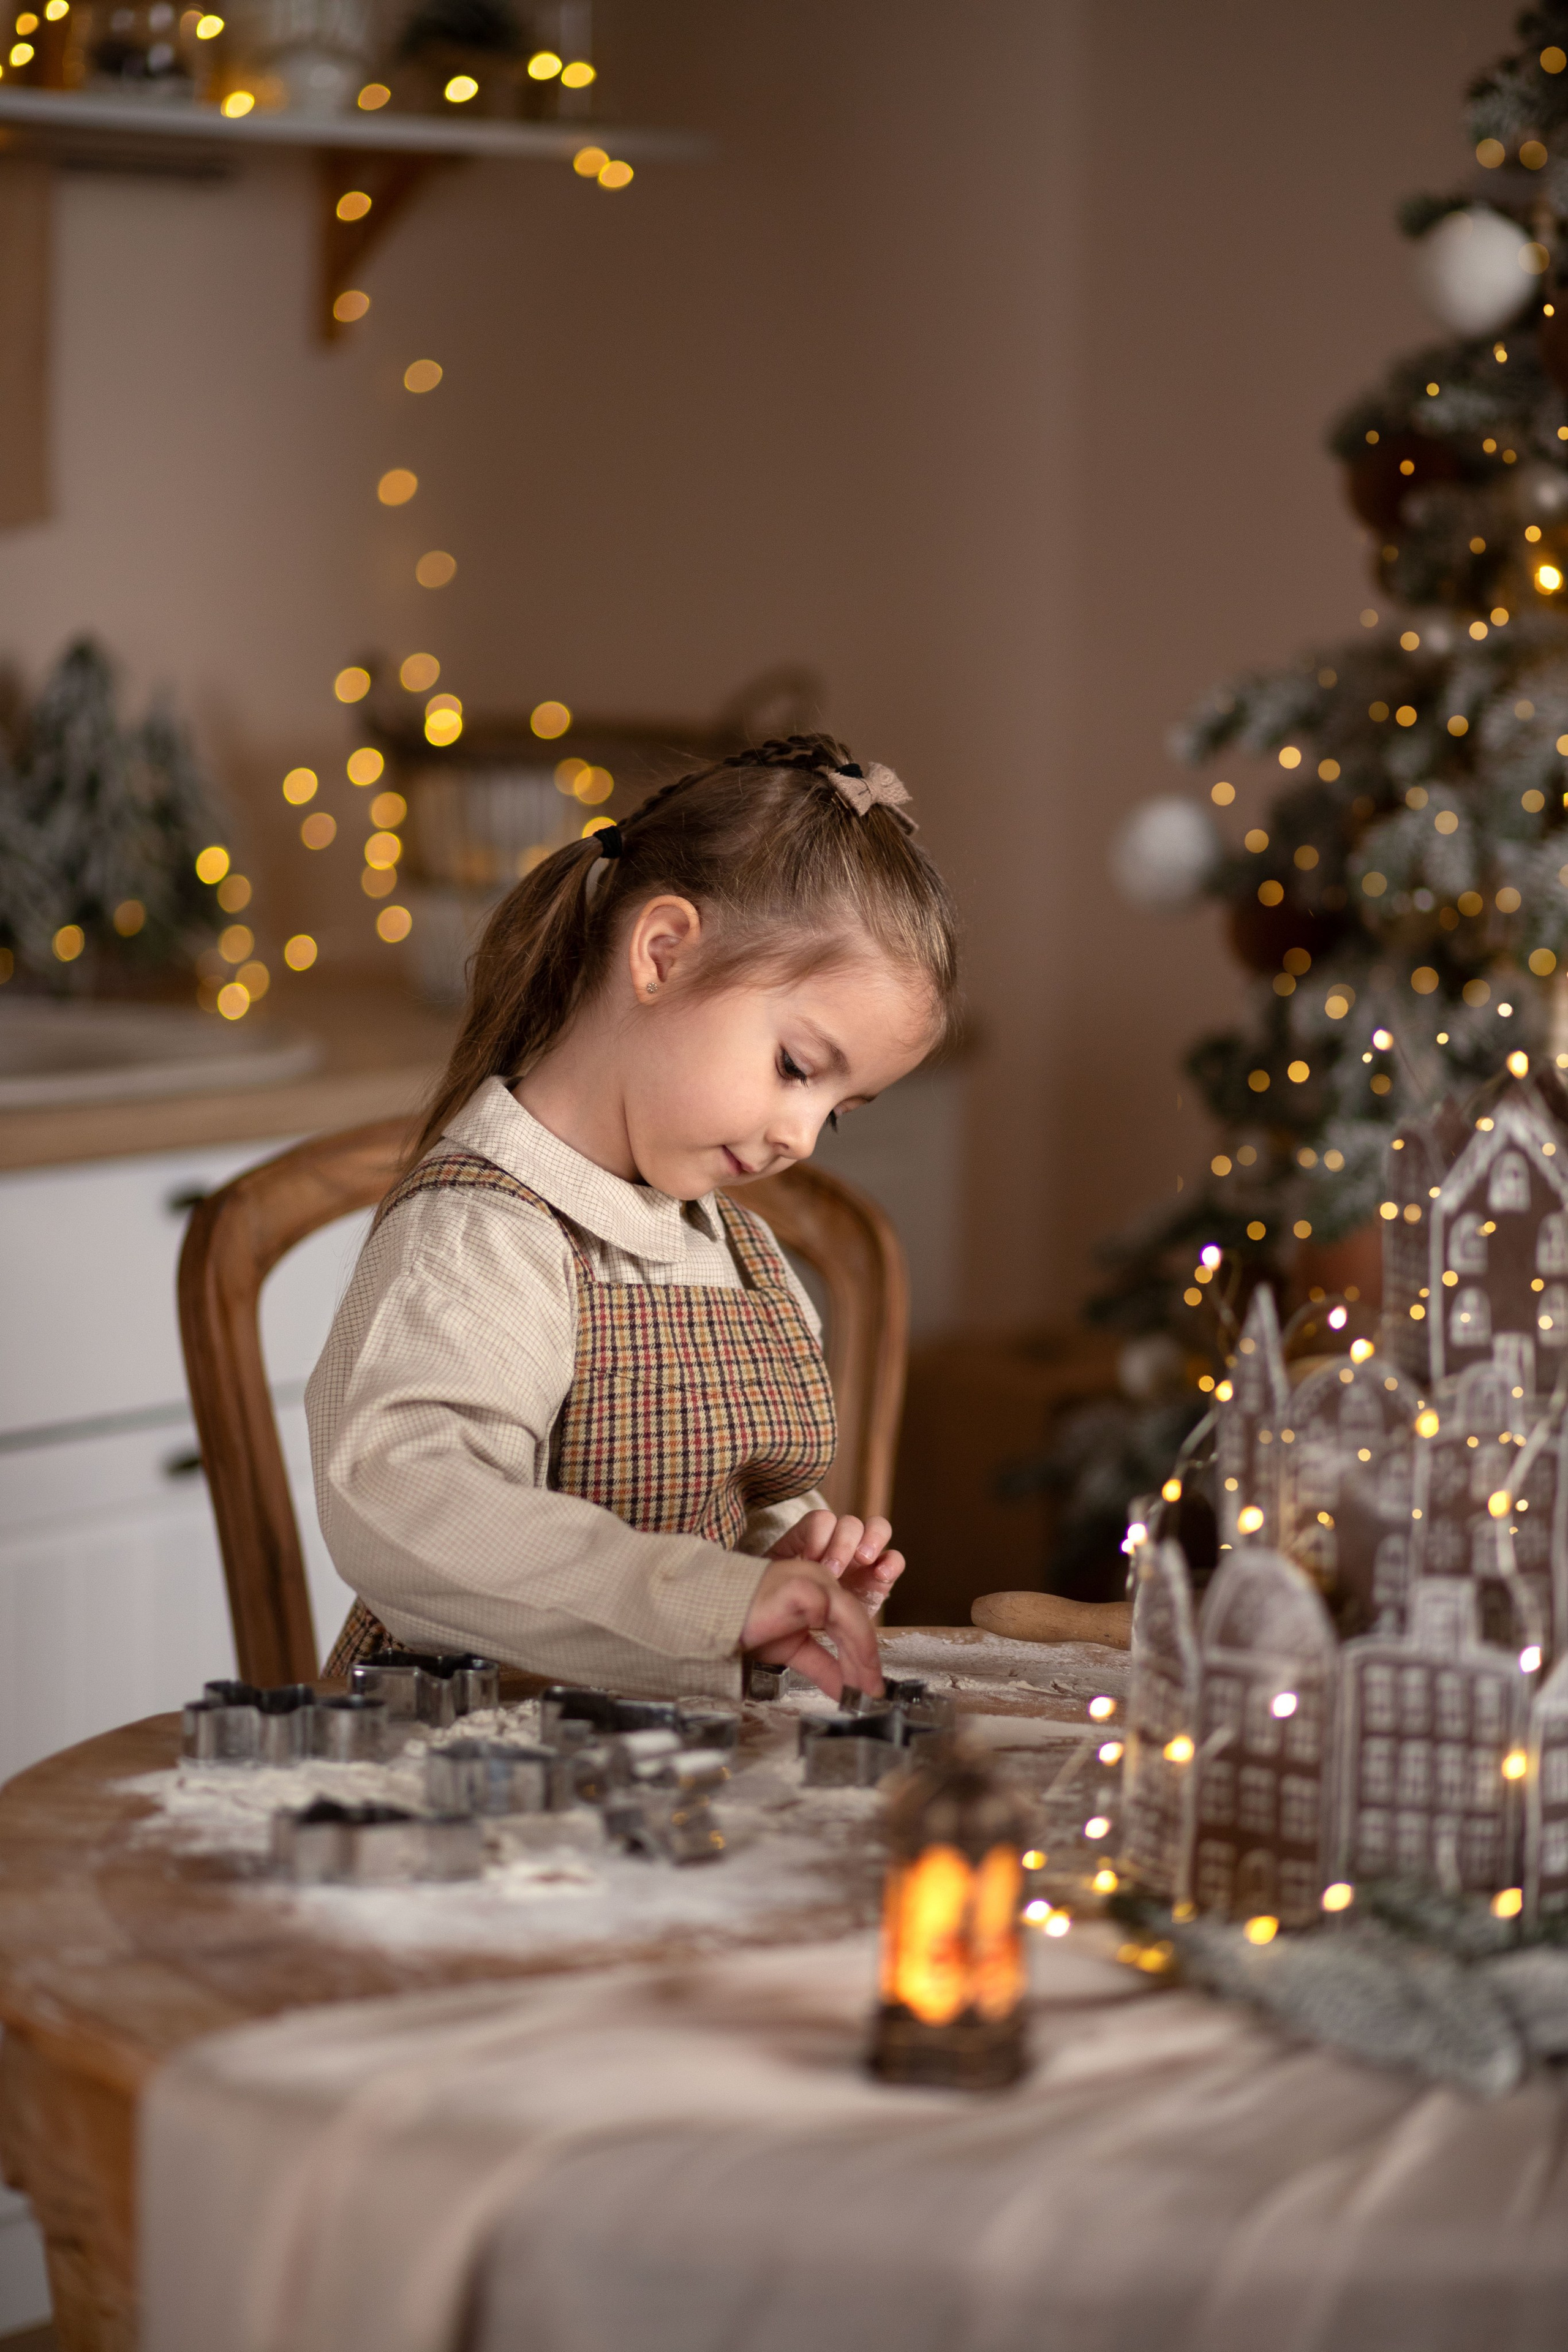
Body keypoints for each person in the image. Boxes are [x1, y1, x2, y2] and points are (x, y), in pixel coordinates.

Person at [306, 733, 959, 1700]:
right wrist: (712, 1604)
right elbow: (413, 1509)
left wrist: (788, 1572)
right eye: (796, 1069)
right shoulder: (484, 1236)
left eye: (838, 1110)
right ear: (663, 954)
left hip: (648, 1762)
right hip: (463, 1767)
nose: (804, 1137)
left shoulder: (736, 1248)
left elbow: (742, 1496)